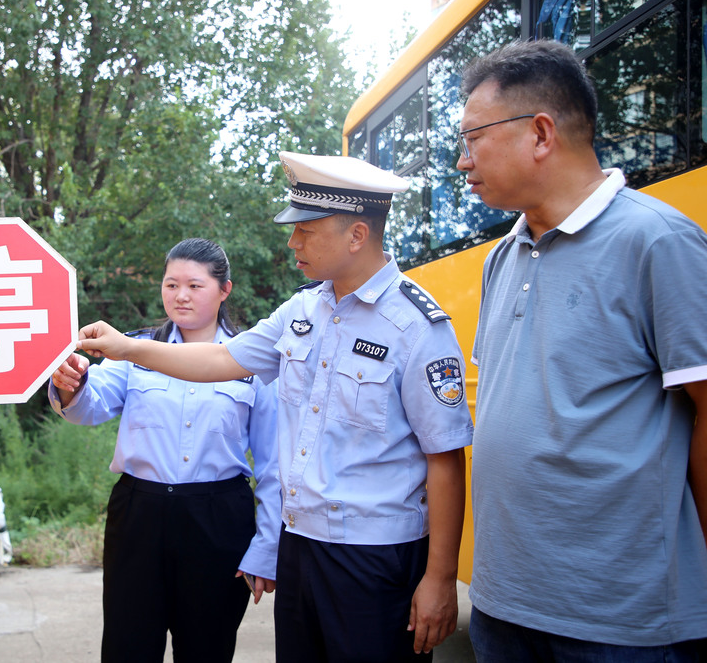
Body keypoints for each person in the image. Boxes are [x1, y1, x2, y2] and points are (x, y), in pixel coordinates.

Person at [67, 152, 475, 662]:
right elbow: (222, 359)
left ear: (356, 235)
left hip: (375, 556)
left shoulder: (415, 326)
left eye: (306, 230)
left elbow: (445, 457)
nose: (292, 242)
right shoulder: (303, 309)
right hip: (302, 546)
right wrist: (127, 348)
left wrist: (440, 578)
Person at [457, 39, 707, 661]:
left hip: (618, 623)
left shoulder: (658, 242)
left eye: (473, 139)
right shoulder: (500, 257)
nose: (463, 162)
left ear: (541, 133)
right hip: (502, 606)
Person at [48, 237, 281, 663]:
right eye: (171, 284)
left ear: (224, 290)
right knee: (128, 646)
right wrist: (71, 385)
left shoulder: (251, 360)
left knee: (207, 649)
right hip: (139, 516)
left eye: (194, 285)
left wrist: (267, 546)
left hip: (218, 521)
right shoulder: (132, 349)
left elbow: (273, 464)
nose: (180, 296)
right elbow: (88, 407)